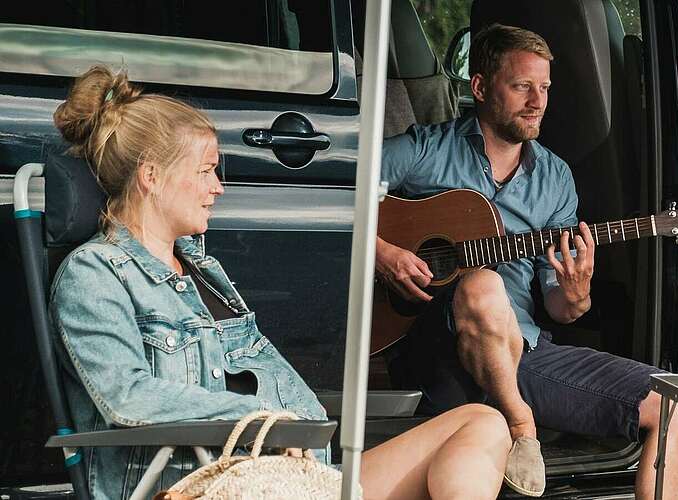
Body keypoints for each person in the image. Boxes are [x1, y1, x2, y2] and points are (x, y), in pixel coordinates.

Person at [49, 66, 514, 500]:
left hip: (285, 477)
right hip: (202, 483)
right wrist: (261, 424)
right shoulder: (93, 275)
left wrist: (305, 437)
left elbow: (281, 384)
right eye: (206, 170)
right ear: (151, 176)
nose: (219, 188)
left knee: (482, 422)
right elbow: (129, 399)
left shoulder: (201, 272)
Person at [376, 23, 678, 499]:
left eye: (544, 88)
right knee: (482, 285)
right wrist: (383, 254)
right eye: (522, 86)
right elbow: (340, 192)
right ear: (481, 87)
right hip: (433, 347)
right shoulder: (427, 148)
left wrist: (576, 291)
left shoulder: (555, 177)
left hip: (520, 352)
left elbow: (561, 309)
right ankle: (522, 429)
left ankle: (516, 416)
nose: (538, 101)